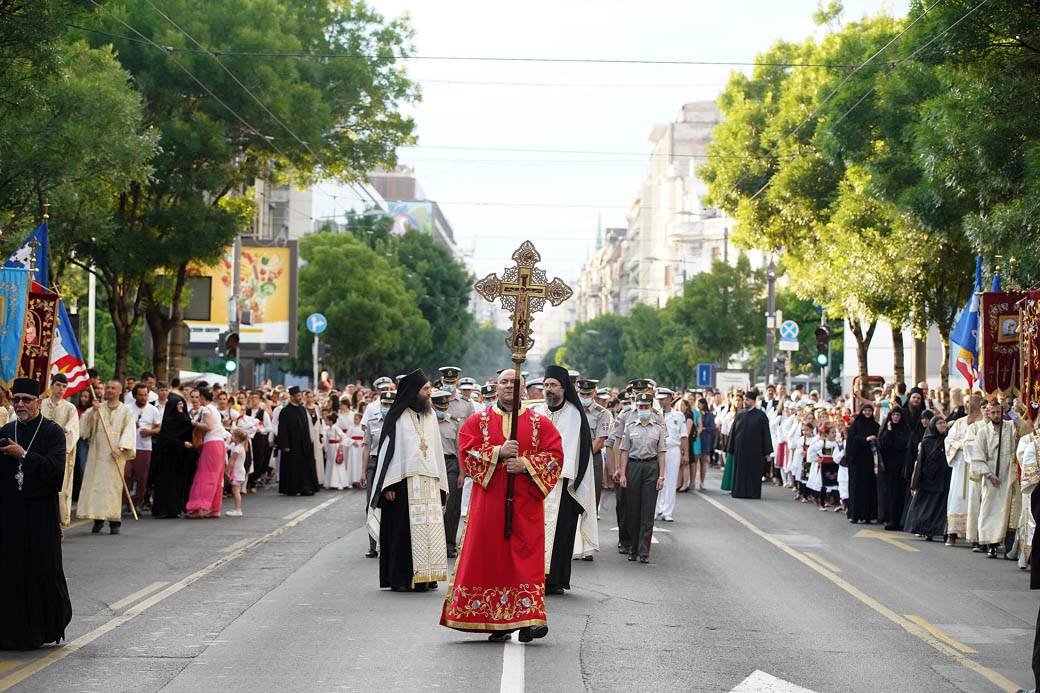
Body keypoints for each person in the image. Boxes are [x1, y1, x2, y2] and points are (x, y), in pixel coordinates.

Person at [441, 368, 563, 642]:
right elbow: (466, 452)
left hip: (526, 505)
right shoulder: (478, 421)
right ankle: (496, 621)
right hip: (489, 504)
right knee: (491, 559)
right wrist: (498, 452)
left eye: (515, 382)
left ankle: (530, 618)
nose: (509, 386)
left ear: (523, 387)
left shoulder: (538, 422)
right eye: (504, 382)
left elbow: (555, 455)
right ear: (496, 387)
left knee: (526, 559)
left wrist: (525, 464)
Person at [0, 378, 73, 649]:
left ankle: (42, 630)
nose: (20, 404)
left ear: (38, 402)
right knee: (11, 572)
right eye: (16, 399)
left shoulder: (53, 432)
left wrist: (23, 455)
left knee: (41, 570)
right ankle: (10, 633)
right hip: (11, 515)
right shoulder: (7, 429)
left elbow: (55, 474)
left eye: (26, 400)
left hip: (41, 515)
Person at [368, 370, 449, 593]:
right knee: (401, 534)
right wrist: (388, 486)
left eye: (429, 390)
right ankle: (401, 578)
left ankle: (426, 577)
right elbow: (388, 454)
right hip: (403, 485)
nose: (428, 394)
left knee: (430, 532)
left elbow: (436, 451)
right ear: (413, 392)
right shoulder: (397, 416)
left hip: (429, 484)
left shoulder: (431, 415)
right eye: (425, 390)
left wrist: (440, 483)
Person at [535, 366, 598, 595]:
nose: (548, 390)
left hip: (564, 485)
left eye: (553, 385)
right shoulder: (539, 411)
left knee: (561, 533)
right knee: (536, 533)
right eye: (545, 385)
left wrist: (551, 471)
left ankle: (555, 580)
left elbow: (571, 450)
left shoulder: (573, 414)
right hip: (537, 481)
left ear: (563, 388)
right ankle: (535, 577)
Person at [78, 380, 136, 535]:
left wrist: (121, 448)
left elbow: (129, 431)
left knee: (113, 487)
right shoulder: (98, 408)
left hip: (115, 454)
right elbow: (85, 428)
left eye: (113, 388)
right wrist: (93, 412)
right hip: (98, 452)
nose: (109, 390)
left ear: (119, 391)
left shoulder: (126, 411)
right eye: (108, 387)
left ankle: (114, 521)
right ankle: (98, 519)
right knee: (97, 486)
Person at [618, 392, 667, 563]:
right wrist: (623, 473)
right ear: (636, 407)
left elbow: (661, 453)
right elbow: (624, 451)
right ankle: (632, 547)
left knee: (647, 510)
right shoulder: (630, 426)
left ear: (651, 408)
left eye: (646, 407)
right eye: (640, 407)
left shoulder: (658, 428)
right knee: (632, 510)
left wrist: (661, 476)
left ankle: (644, 550)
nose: (643, 410)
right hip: (633, 466)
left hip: (651, 467)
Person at [971, 400, 1019, 558]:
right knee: (990, 511)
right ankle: (991, 545)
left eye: (998, 412)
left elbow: (1024, 427)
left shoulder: (1010, 427)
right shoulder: (983, 432)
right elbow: (977, 456)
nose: (996, 415)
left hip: (1009, 477)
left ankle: (1009, 548)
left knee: (1010, 512)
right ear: (988, 413)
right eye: (993, 413)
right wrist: (989, 475)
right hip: (992, 479)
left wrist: (1017, 409)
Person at [150, 380, 194, 518]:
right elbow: (168, 437)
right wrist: (181, 444)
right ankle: (164, 509)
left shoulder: (184, 419)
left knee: (176, 484)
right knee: (165, 484)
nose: (180, 409)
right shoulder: (170, 421)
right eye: (178, 406)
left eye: (182, 406)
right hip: (167, 457)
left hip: (178, 458)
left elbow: (187, 428)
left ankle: (175, 508)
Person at [944, 392, 983, 546]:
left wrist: (969, 446)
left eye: (970, 403)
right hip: (960, 464)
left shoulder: (982, 423)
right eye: (966, 403)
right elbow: (949, 440)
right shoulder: (959, 422)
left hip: (974, 465)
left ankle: (975, 536)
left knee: (975, 499)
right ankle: (952, 533)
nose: (967, 406)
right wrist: (960, 445)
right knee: (956, 498)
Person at [41, 374, 79, 527]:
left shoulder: (70, 408)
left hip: (60, 455)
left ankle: (60, 521)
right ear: (52, 385)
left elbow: (73, 431)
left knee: (61, 489)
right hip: (41, 453)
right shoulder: (41, 404)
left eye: (64, 386)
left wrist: (62, 449)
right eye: (58, 385)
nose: (61, 389)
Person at [905, 417, 951, 541]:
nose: (942, 425)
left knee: (938, 507)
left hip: (943, 478)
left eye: (944, 423)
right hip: (928, 479)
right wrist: (915, 483)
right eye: (939, 423)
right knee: (926, 507)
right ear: (933, 426)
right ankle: (923, 529)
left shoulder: (948, 440)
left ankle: (935, 530)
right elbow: (920, 463)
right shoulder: (926, 441)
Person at [185, 387, 226, 519]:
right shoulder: (214, 408)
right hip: (220, 444)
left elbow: (208, 426)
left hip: (211, 444)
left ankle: (199, 508)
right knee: (216, 477)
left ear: (202, 397)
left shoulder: (207, 409)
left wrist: (194, 423)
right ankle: (215, 509)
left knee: (205, 476)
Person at [362, 390, 394, 558]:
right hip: (374, 464)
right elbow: (366, 447)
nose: (387, 408)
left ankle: (388, 545)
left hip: (391, 465)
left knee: (390, 506)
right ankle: (372, 545)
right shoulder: (372, 422)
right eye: (384, 405)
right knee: (371, 505)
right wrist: (363, 471)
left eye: (390, 405)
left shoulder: (398, 423)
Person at [432, 390, 463, 558]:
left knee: (451, 506)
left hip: (451, 464)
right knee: (433, 505)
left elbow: (460, 448)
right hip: (432, 464)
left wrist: (462, 473)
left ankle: (450, 544)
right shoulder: (426, 421)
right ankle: (434, 543)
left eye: (445, 407)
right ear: (432, 405)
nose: (442, 410)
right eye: (439, 407)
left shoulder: (454, 423)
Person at [727, 389, 773, 500]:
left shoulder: (761, 416)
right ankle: (739, 492)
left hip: (755, 452)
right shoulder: (740, 414)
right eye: (744, 400)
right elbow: (733, 431)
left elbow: (766, 434)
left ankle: (753, 493)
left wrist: (767, 451)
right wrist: (730, 447)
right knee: (740, 473)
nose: (745, 402)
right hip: (741, 451)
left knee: (753, 473)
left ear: (753, 401)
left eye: (747, 400)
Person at [275, 387, 320, 497]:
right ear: (292, 397)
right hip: (292, 446)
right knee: (292, 467)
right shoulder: (285, 411)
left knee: (305, 467)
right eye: (298, 396)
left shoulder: (302, 409)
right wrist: (285, 445)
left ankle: (305, 487)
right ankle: (292, 488)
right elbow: (282, 430)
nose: (300, 398)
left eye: (300, 395)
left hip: (304, 444)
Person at [126, 383, 161, 514]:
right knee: (126, 475)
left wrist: (150, 432)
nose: (143, 397)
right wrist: (130, 425)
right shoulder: (127, 408)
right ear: (135, 396)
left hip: (144, 447)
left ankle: (137, 503)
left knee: (142, 477)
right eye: (140, 395)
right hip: (128, 446)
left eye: (145, 395)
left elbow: (158, 428)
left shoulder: (153, 410)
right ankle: (125, 502)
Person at [577, 378, 610, 514]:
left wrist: (584, 456)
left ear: (594, 393)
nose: (585, 397)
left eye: (588, 394)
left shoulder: (603, 413)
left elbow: (600, 440)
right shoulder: (572, 410)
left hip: (592, 457)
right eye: (582, 394)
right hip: (573, 457)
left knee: (592, 497)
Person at [656, 389, 688, 521]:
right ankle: (656, 509)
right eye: (659, 399)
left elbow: (684, 436)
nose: (661, 401)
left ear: (670, 399)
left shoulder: (679, 416)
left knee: (671, 480)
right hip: (658, 450)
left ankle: (667, 511)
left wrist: (685, 454)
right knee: (658, 479)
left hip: (673, 448)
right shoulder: (656, 414)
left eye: (663, 399)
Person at [877, 406, 911, 530]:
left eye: (898, 415)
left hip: (901, 465)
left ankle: (900, 521)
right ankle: (891, 519)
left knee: (900, 493)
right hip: (889, 467)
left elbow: (902, 445)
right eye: (893, 415)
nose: (895, 417)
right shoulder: (887, 428)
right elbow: (883, 445)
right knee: (891, 493)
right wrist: (889, 431)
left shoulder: (905, 429)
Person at [845, 403, 880, 524]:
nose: (867, 413)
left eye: (870, 411)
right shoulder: (855, 426)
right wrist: (865, 439)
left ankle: (869, 515)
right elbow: (851, 442)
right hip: (857, 463)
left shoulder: (875, 425)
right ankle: (855, 514)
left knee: (870, 488)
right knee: (857, 488)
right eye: (865, 411)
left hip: (871, 462)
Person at [322, 412, 350, 490]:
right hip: (330, 448)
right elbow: (327, 441)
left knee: (337, 464)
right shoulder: (327, 429)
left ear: (331, 421)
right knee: (330, 465)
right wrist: (326, 451)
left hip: (336, 447)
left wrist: (340, 445)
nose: (325, 422)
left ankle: (339, 483)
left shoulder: (336, 428)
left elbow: (344, 437)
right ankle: (329, 483)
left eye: (327, 420)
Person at [225, 428, 248, 517]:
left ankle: (238, 509)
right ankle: (237, 508)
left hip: (237, 472)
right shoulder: (239, 447)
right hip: (239, 471)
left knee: (236, 491)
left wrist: (227, 471)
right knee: (235, 491)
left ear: (238, 438)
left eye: (233, 436)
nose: (231, 437)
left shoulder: (237, 449)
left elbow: (232, 461)